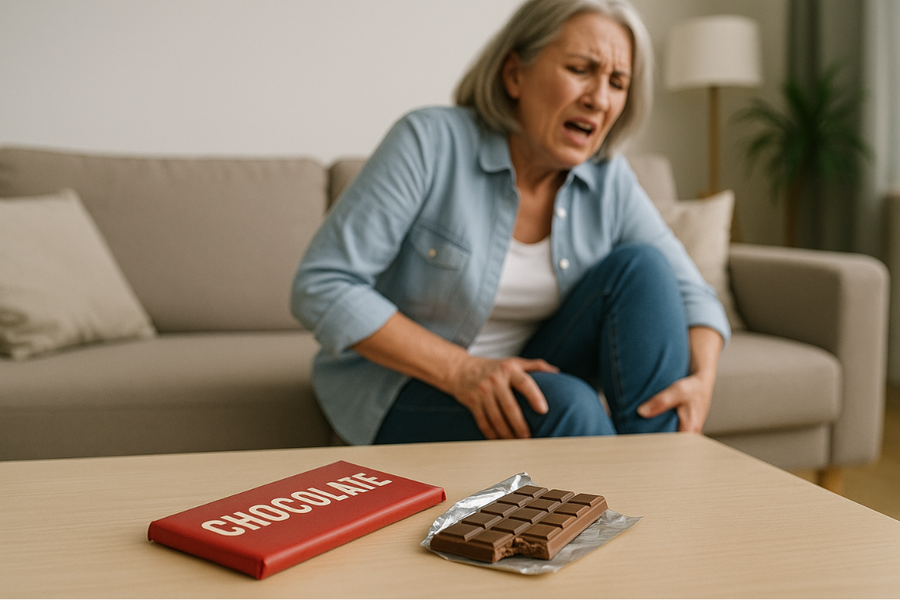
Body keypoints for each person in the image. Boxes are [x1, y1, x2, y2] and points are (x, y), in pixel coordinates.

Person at [291, 0, 730, 446]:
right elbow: (323, 284)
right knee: (569, 405)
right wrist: (463, 370)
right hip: (405, 386)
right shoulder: (428, 142)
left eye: (617, 82)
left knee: (644, 267)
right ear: (514, 74)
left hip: (530, 372)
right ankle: (644, 504)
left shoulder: (608, 178)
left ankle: (663, 470)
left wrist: (704, 380)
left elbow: (691, 292)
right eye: (581, 69)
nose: (599, 99)